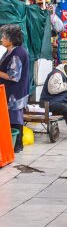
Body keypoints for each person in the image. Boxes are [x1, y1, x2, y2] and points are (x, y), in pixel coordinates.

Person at [0, 25, 30, 153]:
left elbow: (14, 76)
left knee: (15, 118)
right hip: (12, 92)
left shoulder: (17, 54)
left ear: (11, 40)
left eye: (4, 37)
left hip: (15, 93)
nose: (1, 39)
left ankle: (17, 145)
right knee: (12, 117)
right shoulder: (10, 51)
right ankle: (13, 144)